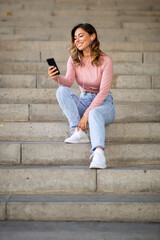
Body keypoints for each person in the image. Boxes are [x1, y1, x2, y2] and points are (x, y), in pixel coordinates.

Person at [48, 23, 115, 169]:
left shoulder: (106, 61)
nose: (77, 40)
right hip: (84, 100)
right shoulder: (74, 59)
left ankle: (99, 155)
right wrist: (56, 77)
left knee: (94, 113)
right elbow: (68, 82)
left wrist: (85, 116)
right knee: (61, 91)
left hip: (103, 104)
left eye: (80, 36)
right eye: (74, 38)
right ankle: (77, 131)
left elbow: (103, 92)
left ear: (92, 37)